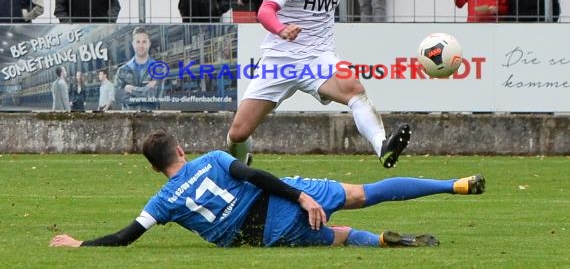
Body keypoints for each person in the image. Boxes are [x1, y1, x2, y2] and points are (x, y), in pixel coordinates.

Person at [49, 130, 486, 249]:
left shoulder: (160, 202)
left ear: (154, 168)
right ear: (181, 150)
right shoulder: (213, 160)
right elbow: (256, 177)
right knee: (366, 192)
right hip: (279, 196)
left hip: (263, 234)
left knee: (339, 237)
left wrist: (80, 243)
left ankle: (381, 243)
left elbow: (127, 236)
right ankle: (453, 184)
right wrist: (300, 194)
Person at [226, 0, 422, 167]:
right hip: (280, 59)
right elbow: (266, 11)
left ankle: (382, 146)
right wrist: (281, 29)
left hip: (319, 57)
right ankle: (240, 167)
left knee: (355, 89)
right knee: (239, 133)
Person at [115, 27, 163, 111]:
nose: (141, 45)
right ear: (133, 44)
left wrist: (131, 89)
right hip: (129, 120)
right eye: (138, 42)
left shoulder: (158, 69)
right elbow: (118, 97)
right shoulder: (122, 70)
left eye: (144, 42)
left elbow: (155, 95)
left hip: (150, 120)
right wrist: (146, 90)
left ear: (149, 44)